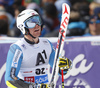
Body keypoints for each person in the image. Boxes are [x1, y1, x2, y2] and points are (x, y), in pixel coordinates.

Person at [5, 9, 72, 88]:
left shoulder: (46, 44)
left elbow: (59, 70)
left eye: (38, 21)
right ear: (22, 27)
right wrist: (35, 87)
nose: (37, 25)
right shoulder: (18, 48)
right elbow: (10, 79)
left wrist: (65, 66)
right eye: (31, 23)